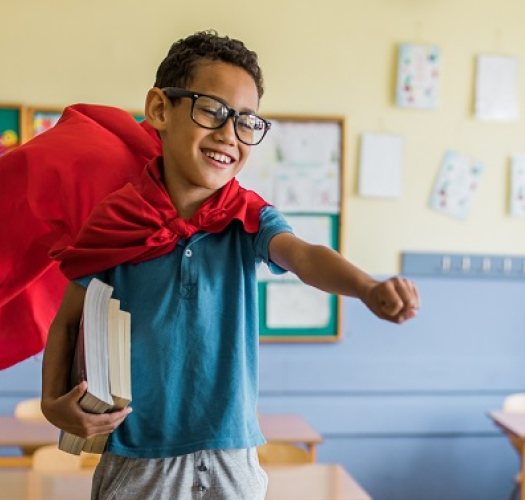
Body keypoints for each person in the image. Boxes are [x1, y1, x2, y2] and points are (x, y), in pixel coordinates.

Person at [41, 30, 420, 500]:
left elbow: (303, 256)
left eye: (246, 122)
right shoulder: (117, 218)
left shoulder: (249, 217)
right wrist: (51, 403)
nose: (228, 134)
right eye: (211, 110)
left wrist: (365, 287)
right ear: (160, 109)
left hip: (231, 457)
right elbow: (67, 321)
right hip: (138, 458)